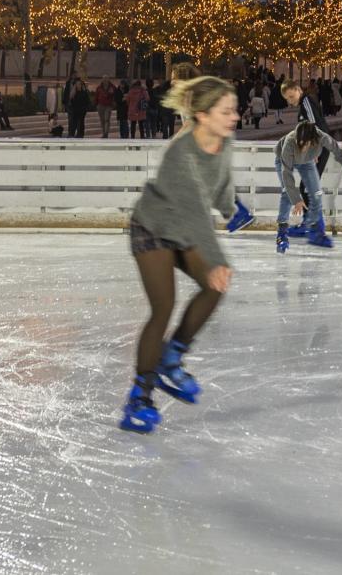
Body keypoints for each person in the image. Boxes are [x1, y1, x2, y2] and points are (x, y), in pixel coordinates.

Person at [118, 76, 240, 434]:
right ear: (202, 115)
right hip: (153, 227)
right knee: (164, 307)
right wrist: (216, 259)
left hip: (184, 230)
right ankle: (139, 396)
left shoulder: (224, 141)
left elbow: (219, 183)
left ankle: (172, 357)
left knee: (215, 287)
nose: (234, 117)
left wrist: (231, 206)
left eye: (234, 109)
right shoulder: (180, 152)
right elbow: (194, 212)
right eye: (226, 111)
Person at [265, 121, 342, 252]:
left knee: (317, 194)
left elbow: (335, 149)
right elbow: (287, 174)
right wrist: (297, 200)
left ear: (313, 140)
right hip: (284, 160)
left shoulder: (322, 137)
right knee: (287, 193)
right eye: (299, 143)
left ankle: (314, 229)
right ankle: (282, 233)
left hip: (307, 162)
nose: (302, 148)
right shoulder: (289, 142)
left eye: (305, 144)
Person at [281, 81, 338, 237]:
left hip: (318, 150)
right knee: (307, 186)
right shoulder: (304, 103)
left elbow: (314, 125)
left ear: (298, 90)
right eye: (287, 99)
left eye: (291, 96)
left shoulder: (306, 101)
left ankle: (311, 225)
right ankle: (311, 224)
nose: (290, 101)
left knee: (308, 186)